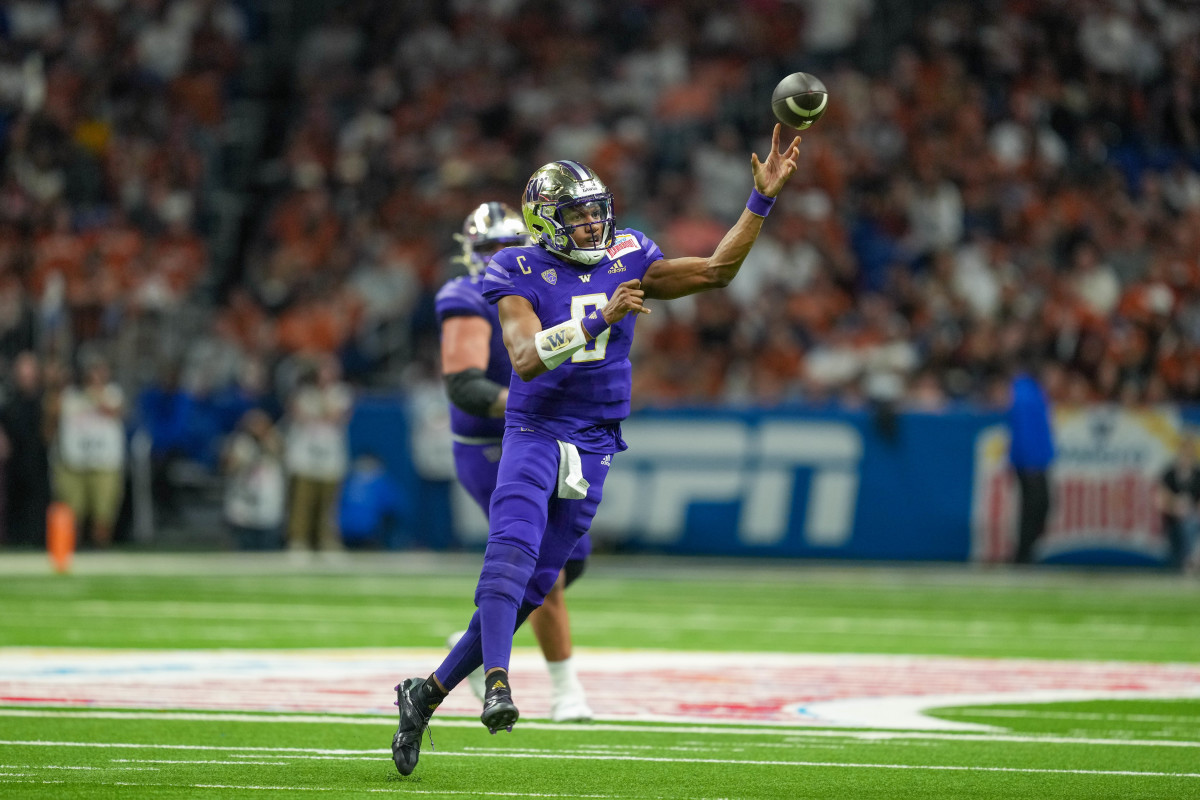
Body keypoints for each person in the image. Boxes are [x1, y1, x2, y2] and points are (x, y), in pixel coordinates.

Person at [391, 124, 802, 776]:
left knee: (536, 587)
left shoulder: (630, 251)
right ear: (545, 222)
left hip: (596, 439)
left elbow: (717, 271)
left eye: (595, 212)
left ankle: (426, 692)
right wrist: (597, 319)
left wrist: (760, 201)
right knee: (511, 553)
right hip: (535, 427)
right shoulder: (515, 266)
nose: (591, 224)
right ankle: (497, 682)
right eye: (577, 215)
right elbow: (524, 358)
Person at [435, 202, 594, 722]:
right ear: (470, 253)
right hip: (492, 446)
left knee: (570, 559)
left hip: (546, 435)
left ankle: (472, 647)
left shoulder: (548, 282)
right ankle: (567, 692)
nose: (499, 257)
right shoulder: (466, 297)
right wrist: (527, 401)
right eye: (488, 249)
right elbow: (464, 385)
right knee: (537, 568)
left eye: (509, 246)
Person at [283, 355, 353, 554]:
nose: (327, 375)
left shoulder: (342, 392)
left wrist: (317, 411)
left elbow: (336, 416)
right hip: (305, 454)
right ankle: (298, 541)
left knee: (328, 504)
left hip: (331, 455)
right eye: (324, 370)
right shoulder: (304, 393)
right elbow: (298, 414)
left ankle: (327, 540)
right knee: (303, 502)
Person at [1, 352, 51, 547]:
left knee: (37, 507)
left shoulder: (45, 400)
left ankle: (37, 541)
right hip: (14, 464)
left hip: (39, 463)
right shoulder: (10, 402)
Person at [1007, 361, 1056, 564]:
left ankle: (1025, 552)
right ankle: (1023, 553)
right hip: (1031, 462)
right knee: (1036, 507)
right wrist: (1030, 461)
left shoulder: (1030, 391)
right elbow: (1026, 430)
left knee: (1034, 507)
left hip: (1033, 460)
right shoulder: (1026, 393)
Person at [1157, 431, 1200, 572]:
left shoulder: (1197, 475)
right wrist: (1175, 508)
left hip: (1194, 518)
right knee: (1186, 525)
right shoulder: (1169, 474)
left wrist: (1193, 511)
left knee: (1191, 524)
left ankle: (1191, 561)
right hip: (1173, 519)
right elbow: (1160, 499)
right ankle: (1190, 560)